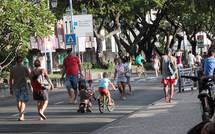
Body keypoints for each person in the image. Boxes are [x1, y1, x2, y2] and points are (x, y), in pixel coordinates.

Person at [9, 56, 32, 121]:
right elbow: (30, 76)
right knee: (23, 101)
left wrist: (10, 88)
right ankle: (21, 114)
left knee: (18, 100)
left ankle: (21, 113)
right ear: (22, 61)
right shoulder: (25, 67)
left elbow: (10, 79)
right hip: (23, 86)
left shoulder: (12, 68)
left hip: (16, 86)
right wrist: (32, 85)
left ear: (16, 61)